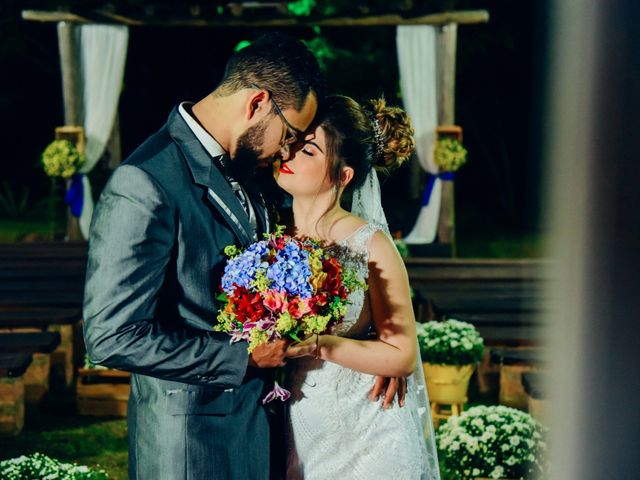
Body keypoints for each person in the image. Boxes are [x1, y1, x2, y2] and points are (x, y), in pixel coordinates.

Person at [82, 33, 323, 480]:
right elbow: (111, 335)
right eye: (289, 134)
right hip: (191, 446)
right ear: (257, 104)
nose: (287, 151)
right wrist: (244, 356)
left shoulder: (245, 167)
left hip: (255, 426)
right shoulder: (145, 181)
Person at [283, 95, 441, 479]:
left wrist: (323, 345)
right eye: (292, 141)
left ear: (343, 175)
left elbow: (401, 355)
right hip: (297, 425)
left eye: (308, 150)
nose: (289, 153)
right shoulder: (269, 231)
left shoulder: (369, 244)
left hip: (367, 431)